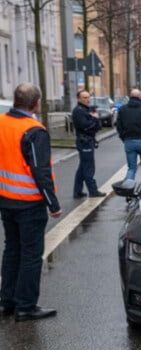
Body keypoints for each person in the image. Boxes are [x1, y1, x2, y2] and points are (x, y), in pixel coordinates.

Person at [0, 83, 62, 321]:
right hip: (29, 203)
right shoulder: (34, 131)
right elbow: (40, 171)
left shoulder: (2, 122)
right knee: (30, 254)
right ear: (36, 103)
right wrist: (53, 204)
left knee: (12, 250)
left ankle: (7, 301)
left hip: (6, 200)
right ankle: (25, 305)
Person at [116, 89, 141, 181]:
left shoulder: (122, 109)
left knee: (131, 169)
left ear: (130, 96)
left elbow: (118, 126)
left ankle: (129, 189)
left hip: (129, 141)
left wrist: (124, 138)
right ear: (140, 97)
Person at [71, 89, 104, 198]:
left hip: (88, 140)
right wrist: (95, 119)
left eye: (88, 97)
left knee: (83, 167)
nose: (87, 100)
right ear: (79, 99)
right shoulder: (79, 111)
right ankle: (93, 191)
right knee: (88, 167)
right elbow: (86, 126)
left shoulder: (87, 110)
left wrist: (95, 120)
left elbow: (98, 126)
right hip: (84, 141)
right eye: (84, 98)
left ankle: (77, 191)